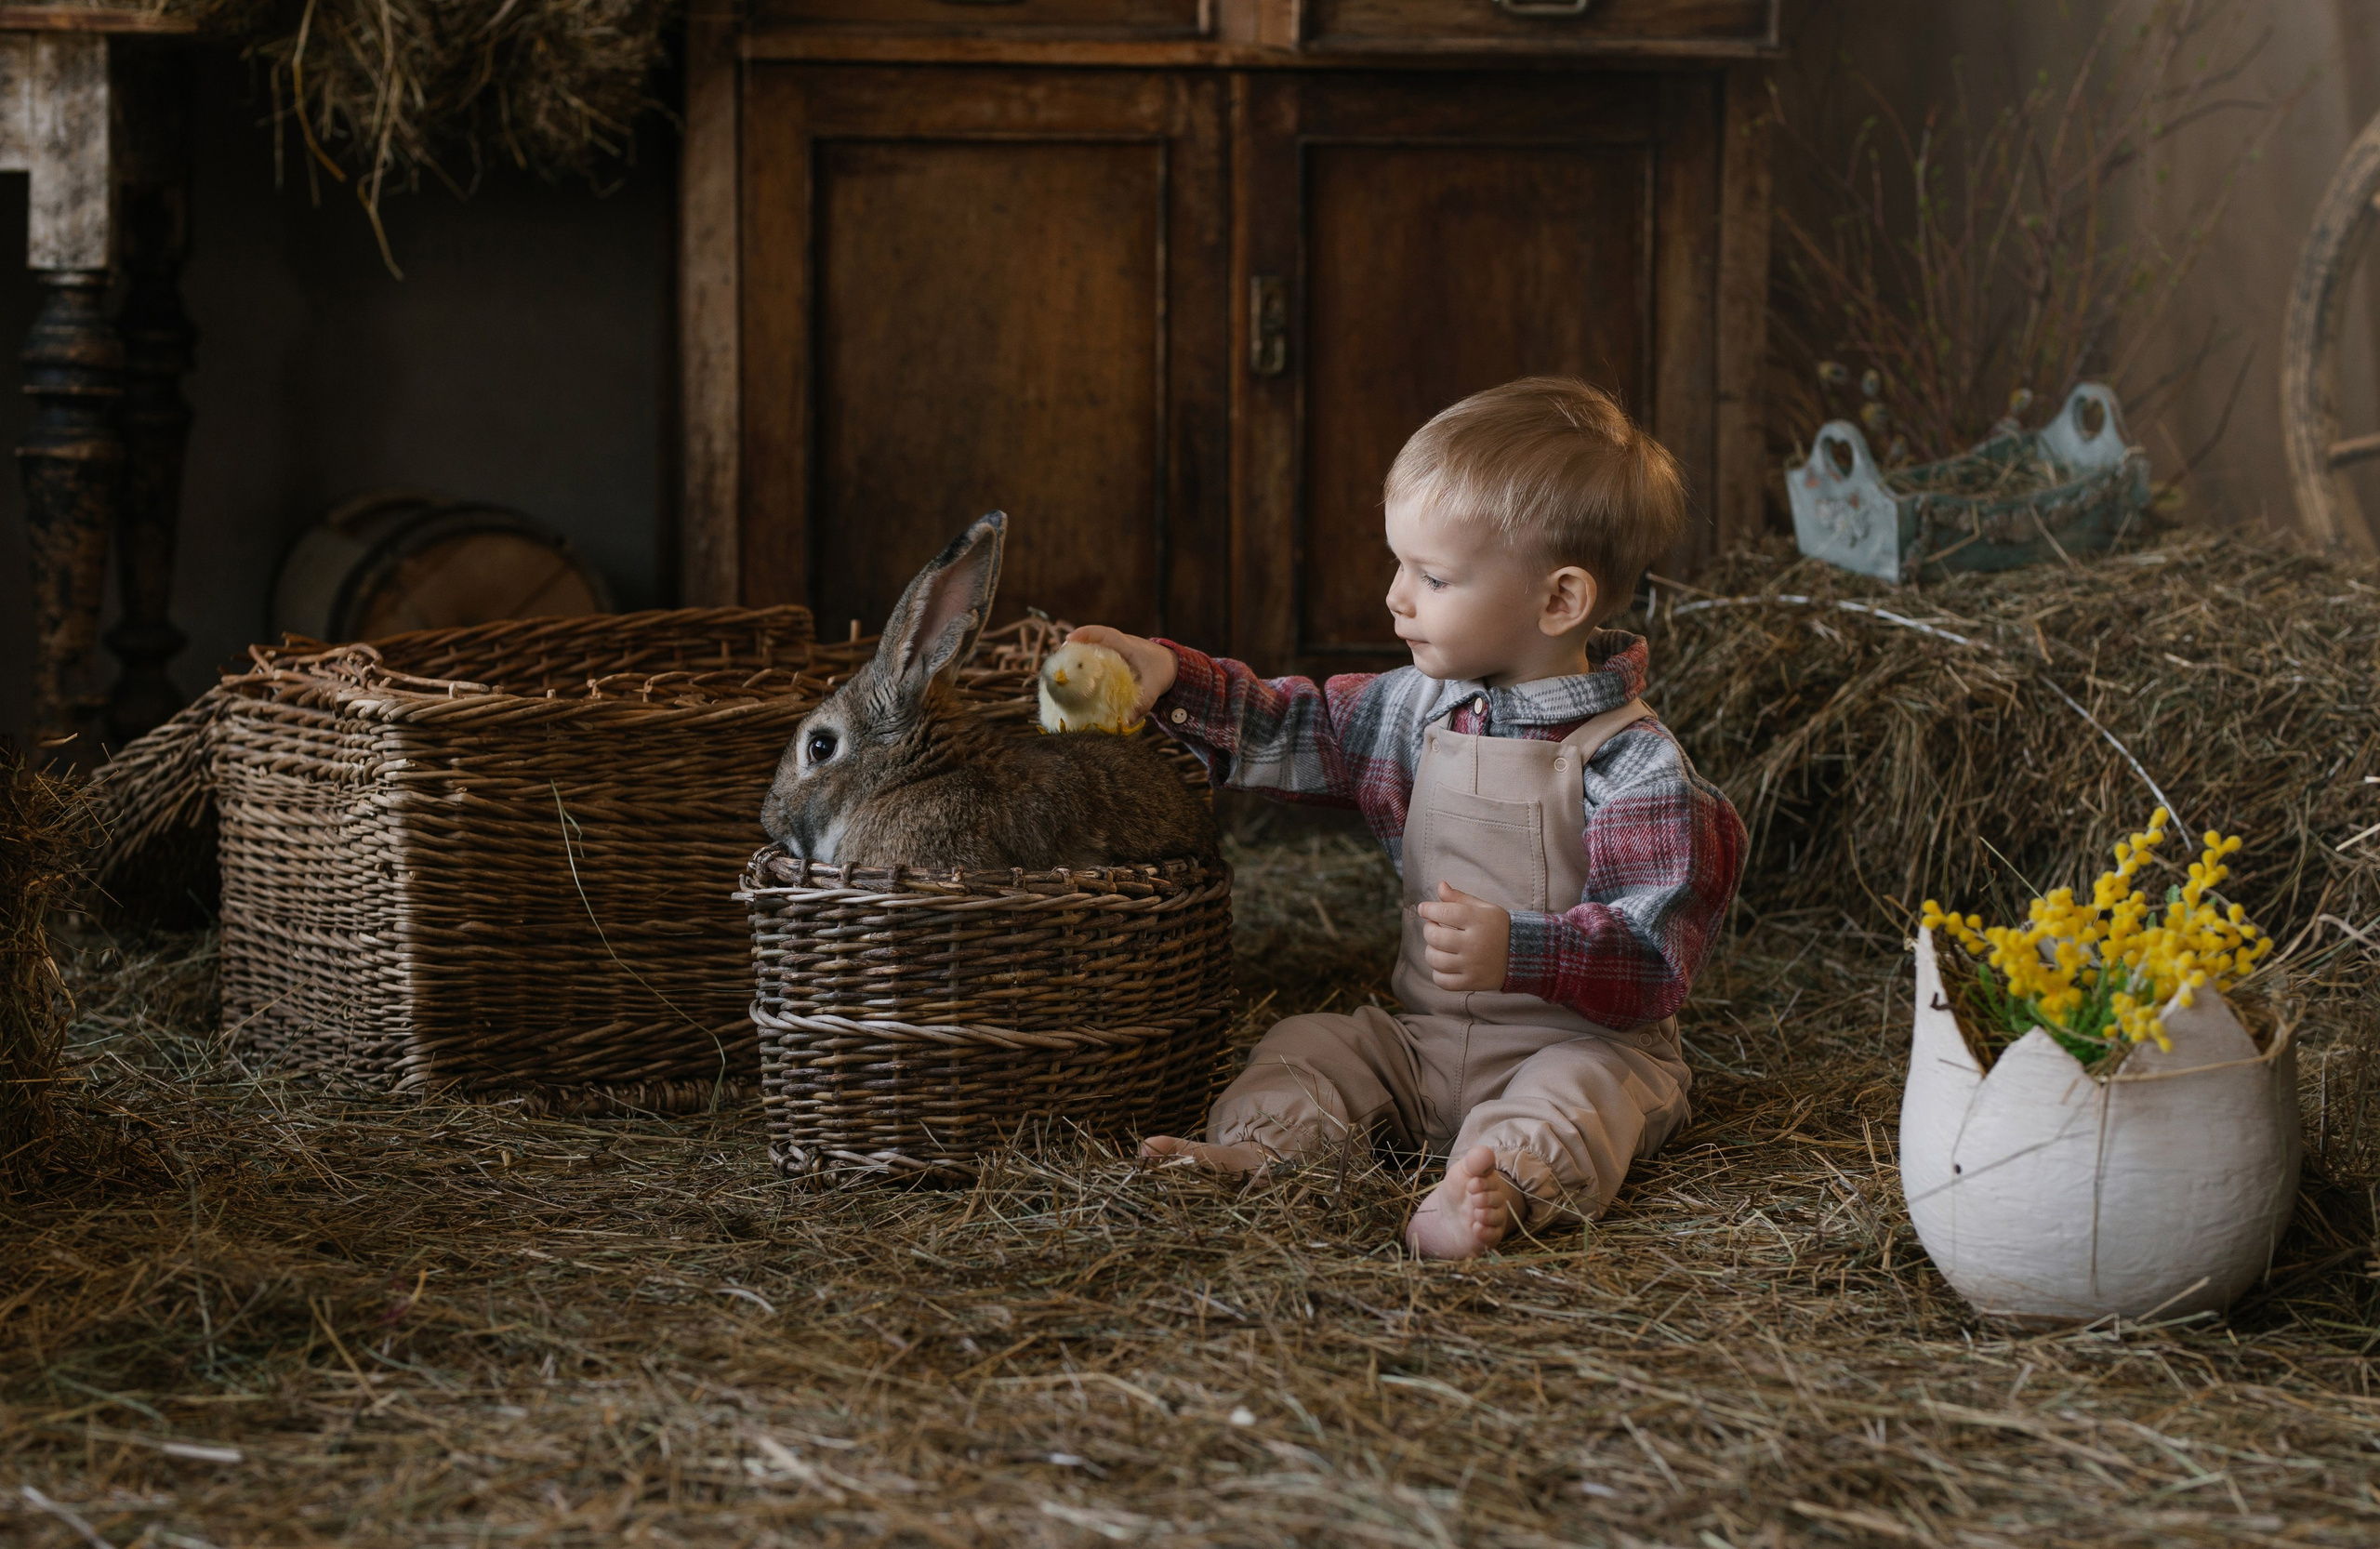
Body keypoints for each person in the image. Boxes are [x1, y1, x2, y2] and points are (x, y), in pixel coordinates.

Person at [1072, 377, 1746, 1258]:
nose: (1396, 596)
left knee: (1583, 1101)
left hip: (1581, 1042)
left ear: (1559, 601)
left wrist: (1520, 947)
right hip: (1423, 1040)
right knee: (1308, 1043)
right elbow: (1295, 721)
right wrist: (1169, 676)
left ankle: (1493, 1187)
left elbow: (1656, 958)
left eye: (1432, 576)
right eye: (1401, 564)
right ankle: (1264, 1148)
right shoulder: (1415, 707)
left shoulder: (1636, 767)